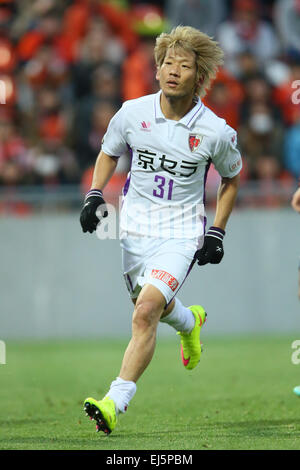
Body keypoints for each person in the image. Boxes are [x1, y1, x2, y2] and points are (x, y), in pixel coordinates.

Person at [79, 25, 242, 435]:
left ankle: (115, 401)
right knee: (148, 304)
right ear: (157, 69)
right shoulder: (132, 113)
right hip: (133, 230)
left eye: (184, 66)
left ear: (198, 78)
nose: (173, 71)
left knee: (145, 311)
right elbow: (108, 152)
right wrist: (94, 195)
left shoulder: (216, 131)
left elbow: (232, 178)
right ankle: (190, 322)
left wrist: (217, 231)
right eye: (168, 63)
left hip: (181, 234)